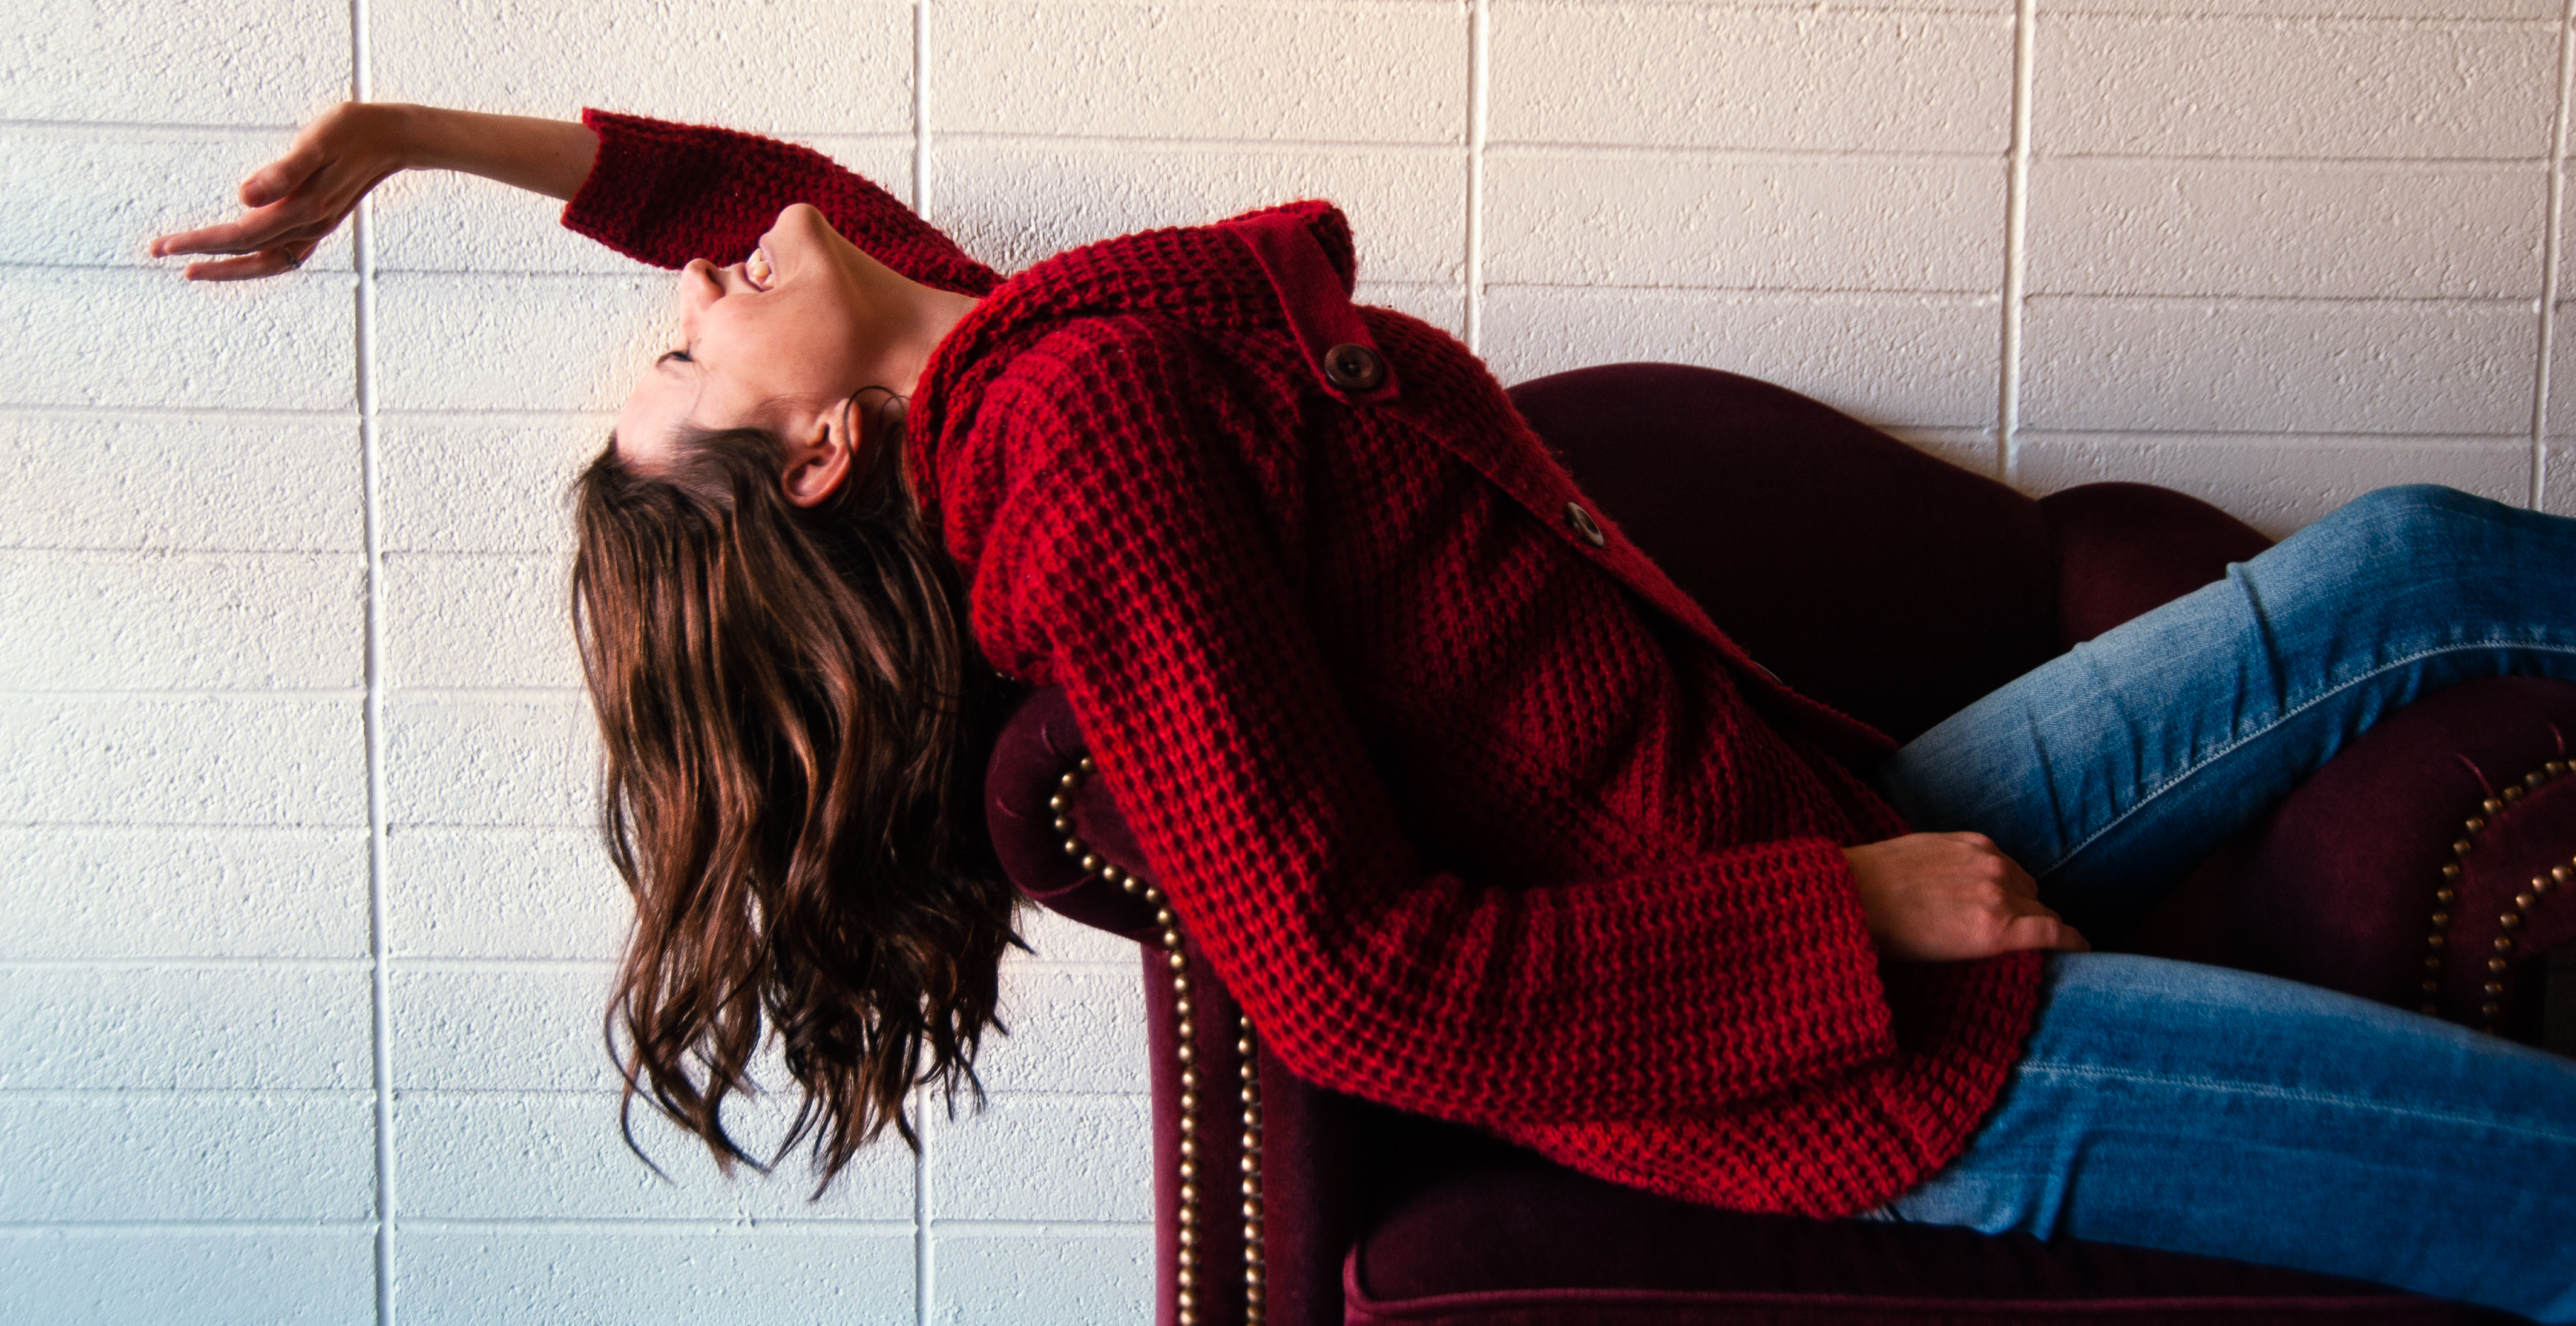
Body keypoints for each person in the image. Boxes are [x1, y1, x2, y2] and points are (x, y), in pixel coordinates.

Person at [153, 101, 2576, 1318]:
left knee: (2406, 568)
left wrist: (402, 142)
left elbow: (765, 187)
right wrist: (1851, 916)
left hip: (1776, 799)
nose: (704, 269)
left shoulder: (1009, 366)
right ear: (812, 453)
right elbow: (1358, 975)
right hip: (1812, 1035)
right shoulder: (1063, 454)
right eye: (688, 342)